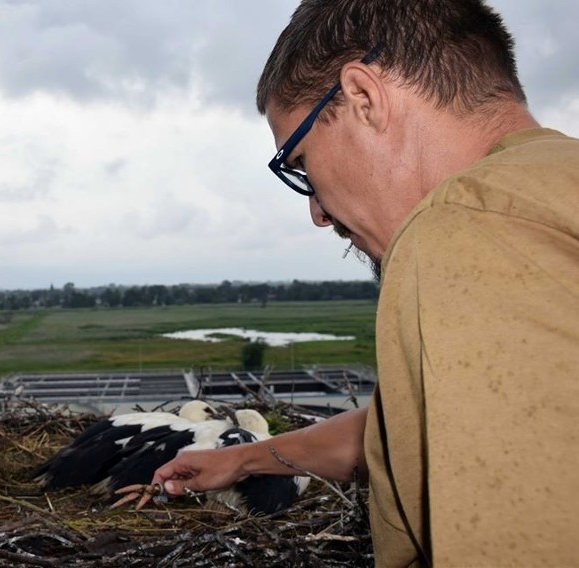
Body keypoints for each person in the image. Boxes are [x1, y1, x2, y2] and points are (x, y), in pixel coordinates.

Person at [151, 1, 579, 566]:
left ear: (364, 97)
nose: (319, 214)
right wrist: (247, 458)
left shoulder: (465, 228)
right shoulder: (550, 184)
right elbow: (423, 422)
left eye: (300, 162)